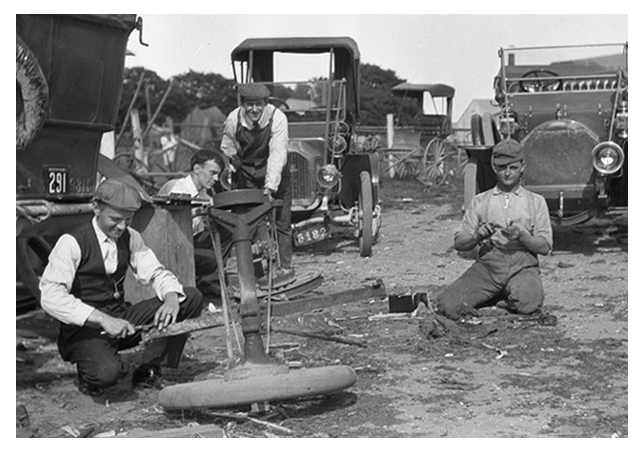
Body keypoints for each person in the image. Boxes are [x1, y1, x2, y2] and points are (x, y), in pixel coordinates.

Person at [40, 179, 204, 397]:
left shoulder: (130, 237)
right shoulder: (72, 242)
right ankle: (93, 368)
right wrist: (101, 319)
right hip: (85, 329)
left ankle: (149, 369)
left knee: (190, 297)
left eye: (128, 220)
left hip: (122, 319)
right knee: (106, 375)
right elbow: (50, 296)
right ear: (96, 208)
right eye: (115, 219)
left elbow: (155, 272)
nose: (122, 226)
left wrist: (172, 298)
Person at [436, 139, 553, 320]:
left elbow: (545, 247)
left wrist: (522, 236)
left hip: (522, 267)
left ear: (522, 166)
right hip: (489, 267)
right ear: (493, 166)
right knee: (448, 306)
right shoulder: (480, 201)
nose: (507, 173)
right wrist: (477, 236)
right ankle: (497, 294)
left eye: (513, 167)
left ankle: (500, 299)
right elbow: (459, 243)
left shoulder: (536, 202)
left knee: (529, 302)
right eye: (501, 167)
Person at [220, 83, 295, 288]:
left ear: (265, 104)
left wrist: (270, 187)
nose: (254, 109)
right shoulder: (233, 119)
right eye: (249, 105)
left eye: (258, 105)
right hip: (247, 173)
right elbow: (227, 144)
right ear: (242, 104)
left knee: (282, 221)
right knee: (252, 222)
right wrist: (233, 163)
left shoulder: (277, 118)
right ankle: (260, 271)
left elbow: (278, 154)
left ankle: (285, 269)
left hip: (276, 171)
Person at [161, 149, 233, 305]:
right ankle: (194, 282)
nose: (215, 179)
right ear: (196, 169)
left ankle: (208, 279)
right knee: (212, 258)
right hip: (172, 248)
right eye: (212, 173)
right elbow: (174, 233)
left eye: (217, 175)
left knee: (229, 229)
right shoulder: (177, 189)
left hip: (189, 240)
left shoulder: (202, 194)